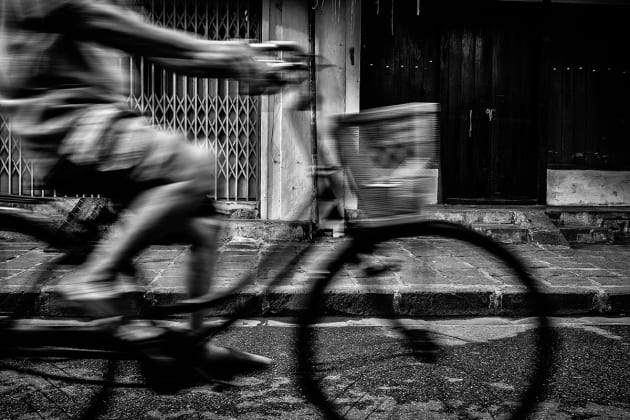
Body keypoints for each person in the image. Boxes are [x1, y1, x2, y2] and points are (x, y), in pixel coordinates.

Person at [0, 0, 283, 369]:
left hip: (94, 127)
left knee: (204, 225)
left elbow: (169, 53)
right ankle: (93, 278)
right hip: (69, 129)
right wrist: (233, 55)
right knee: (195, 165)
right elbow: (144, 39)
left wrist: (237, 57)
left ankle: (192, 347)